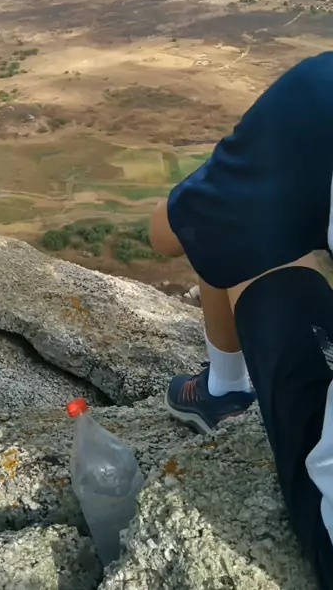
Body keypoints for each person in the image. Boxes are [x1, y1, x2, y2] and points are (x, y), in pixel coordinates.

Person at [149, 52, 333, 588]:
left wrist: (235, 169)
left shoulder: (320, 91)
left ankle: (225, 388)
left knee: (226, 230)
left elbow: (170, 232)